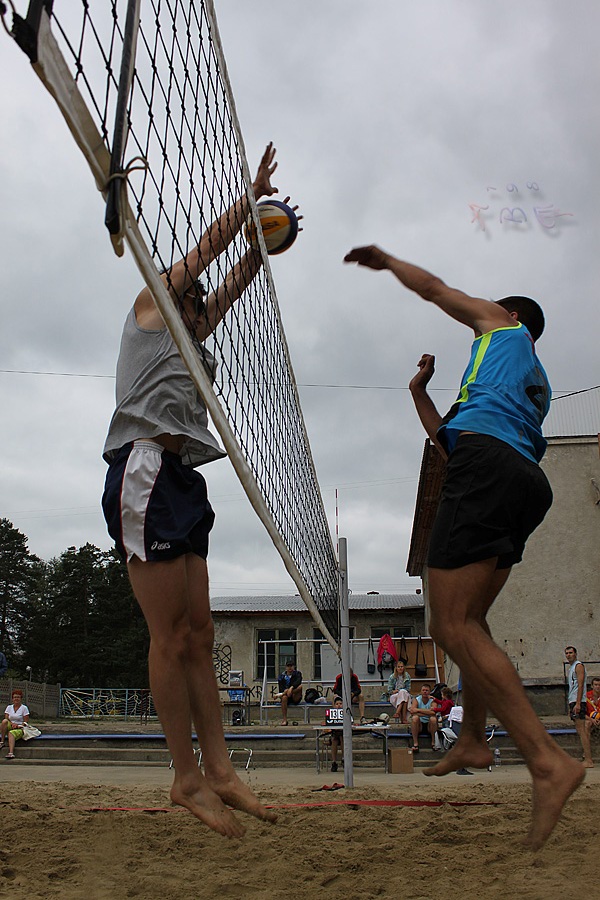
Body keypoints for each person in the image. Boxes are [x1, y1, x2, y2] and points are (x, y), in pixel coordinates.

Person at [344, 244, 585, 850]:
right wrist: (418, 391)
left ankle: (547, 761)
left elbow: (435, 288)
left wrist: (387, 262)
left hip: (488, 470)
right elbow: (446, 437)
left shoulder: (502, 325)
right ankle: (474, 738)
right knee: (472, 622)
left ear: (505, 313)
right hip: (525, 481)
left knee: (449, 625)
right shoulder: (531, 386)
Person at [101, 144, 290, 838]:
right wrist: (250, 198)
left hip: (180, 479)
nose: (200, 295)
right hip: (143, 470)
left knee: (201, 633)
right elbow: (210, 249)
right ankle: (184, 776)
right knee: (168, 634)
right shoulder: (150, 305)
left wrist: (269, 245)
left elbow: (232, 279)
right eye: (194, 288)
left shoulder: (189, 331)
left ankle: (222, 771)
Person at [565, 646, 593, 768]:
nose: (568, 655)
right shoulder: (571, 668)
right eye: (566, 653)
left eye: (570, 653)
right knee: (579, 730)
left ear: (575, 654)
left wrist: (577, 703)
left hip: (578, 701)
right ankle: (586, 756)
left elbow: (581, 685)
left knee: (582, 730)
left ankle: (588, 759)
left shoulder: (578, 666)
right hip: (573, 700)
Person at [1, 689, 29, 759]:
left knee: (11, 733)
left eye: (18, 697)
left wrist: (18, 726)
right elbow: (7, 718)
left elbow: (25, 722)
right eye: (15, 697)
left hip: (20, 727)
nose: (16, 699)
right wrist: (12, 723)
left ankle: (11, 753)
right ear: (12, 699)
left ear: (21, 698)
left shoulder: (24, 708)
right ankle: (2, 741)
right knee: (4, 721)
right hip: (11, 725)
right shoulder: (9, 707)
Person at [409, 684, 438, 751]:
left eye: (427, 690)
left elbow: (433, 712)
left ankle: (434, 743)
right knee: (414, 718)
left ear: (430, 692)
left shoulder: (433, 700)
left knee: (433, 719)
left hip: (429, 725)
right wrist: (428, 712)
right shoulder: (416, 699)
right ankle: (415, 744)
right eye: (423, 690)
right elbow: (412, 711)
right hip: (419, 725)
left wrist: (418, 710)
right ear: (421, 691)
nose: (425, 692)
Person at [276, 660, 303, 725]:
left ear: (294, 667)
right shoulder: (282, 676)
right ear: (286, 667)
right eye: (288, 666)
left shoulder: (297, 674)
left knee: (300, 687)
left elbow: (298, 682)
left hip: (294, 695)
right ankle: (284, 719)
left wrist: (291, 688)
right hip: (286, 696)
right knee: (284, 697)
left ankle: (286, 693)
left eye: (291, 666)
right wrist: (285, 692)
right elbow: (281, 688)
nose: (290, 668)